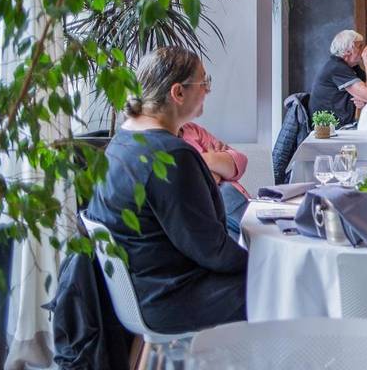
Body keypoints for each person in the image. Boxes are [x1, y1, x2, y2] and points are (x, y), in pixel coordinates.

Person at [86, 46, 247, 334]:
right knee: (282, 284)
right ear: (178, 93)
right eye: (204, 82)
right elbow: (214, 252)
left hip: (138, 293)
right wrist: (268, 261)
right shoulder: (171, 155)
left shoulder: (121, 142)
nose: (207, 90)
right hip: (173, 298)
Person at [178, 122, 249, 240]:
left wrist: (206, 160)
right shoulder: (156, 144)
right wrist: (216, 162)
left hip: (236, 205)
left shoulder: (191, 130)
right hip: (207, 218)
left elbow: (240, 161)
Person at [309, 30, 367, 126]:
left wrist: (364, 98)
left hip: (342, 126)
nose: (363, 50)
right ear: (347, 51)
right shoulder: (336, 67)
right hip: (329, 130)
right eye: (360, 46)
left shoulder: (352, 67)